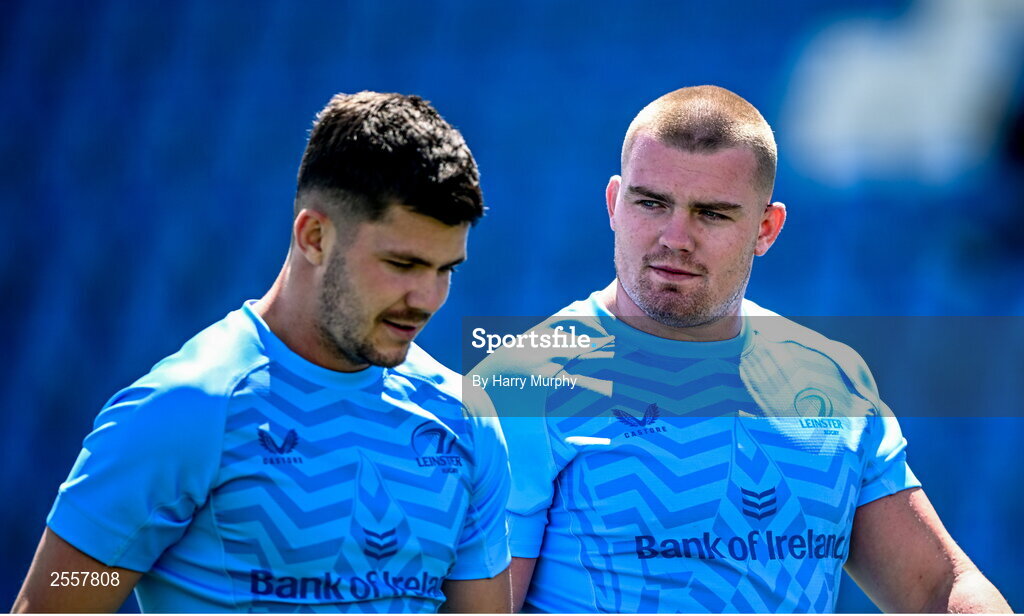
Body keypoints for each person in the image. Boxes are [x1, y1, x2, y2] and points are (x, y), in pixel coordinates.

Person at [470, 85, 1011, 613]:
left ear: (766, 229)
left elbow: (937, 588)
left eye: (712, 213)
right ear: (614, 203)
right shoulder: (521, 386)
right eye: (652, 203)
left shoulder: (829, 376)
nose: (675, 237)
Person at [14, 92, 511, 613]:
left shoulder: (462, 417)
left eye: (446, 269)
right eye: (403, 264)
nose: (427, 299)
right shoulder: (185, 408)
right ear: (315, 236)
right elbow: (58, 601)